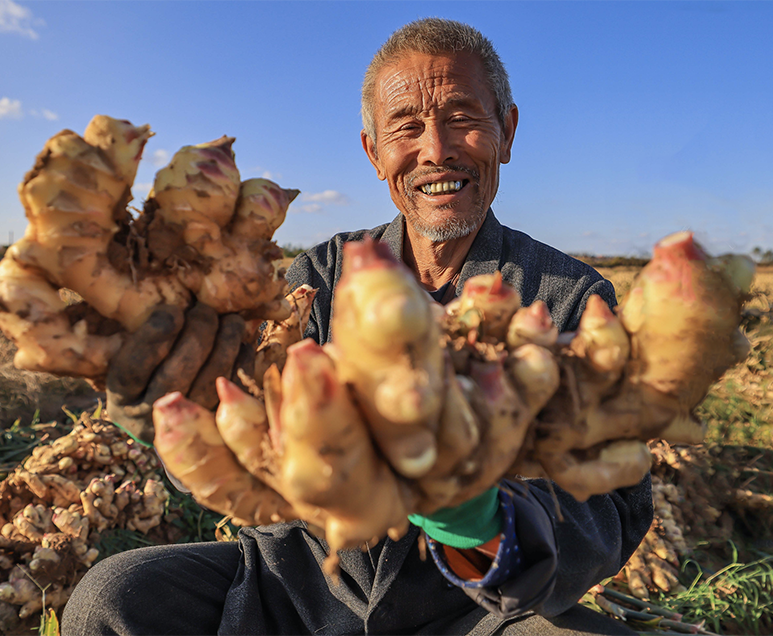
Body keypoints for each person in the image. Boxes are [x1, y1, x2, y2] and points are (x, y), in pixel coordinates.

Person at [62, 18, 652, 636]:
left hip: (469, 613)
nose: (435, 150)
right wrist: (166, 403)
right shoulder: (318, 274)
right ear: (374, 154)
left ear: (505, 132)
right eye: (406, 128)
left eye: (461, 118)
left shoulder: (569, 302)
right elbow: (242, 438)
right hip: (293, 589)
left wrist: (482, 519)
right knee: (114, 596)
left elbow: (612, 509)